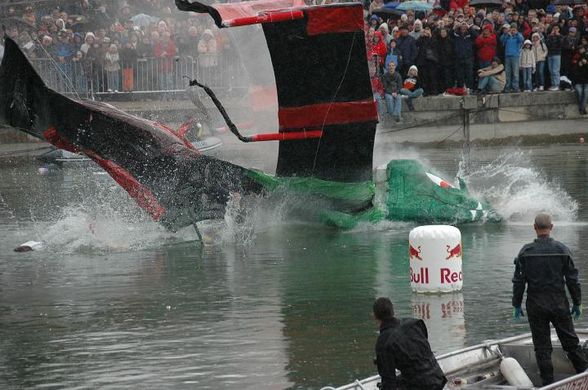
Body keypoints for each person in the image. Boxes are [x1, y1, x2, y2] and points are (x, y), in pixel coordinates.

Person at [512, 213, 588, 386]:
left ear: (534, 227)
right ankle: (584, 376)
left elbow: (518, 281)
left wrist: (516, 304)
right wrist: (577, 302)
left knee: (542, 348)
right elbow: (572, 280)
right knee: (571, 344)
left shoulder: (525, 251)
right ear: (551, 227)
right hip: (559, 303)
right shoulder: (562, 250)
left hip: (535, 305)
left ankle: (548, 384)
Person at [373, 297, 447, 390]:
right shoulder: (413, 324)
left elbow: (389, 381)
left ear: (375, 316)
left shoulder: (384, 341)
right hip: (438, 378)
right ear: (393, 311)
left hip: (421, 386)